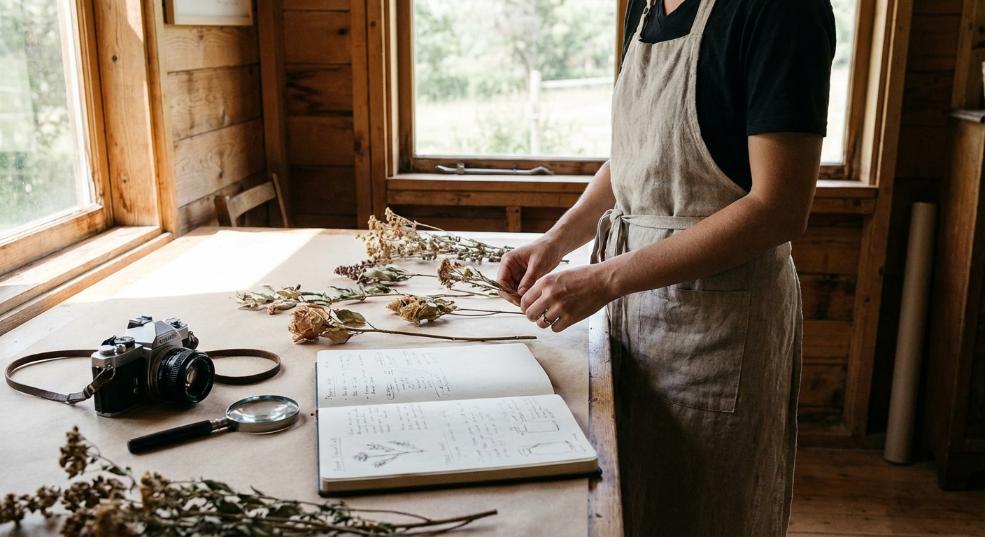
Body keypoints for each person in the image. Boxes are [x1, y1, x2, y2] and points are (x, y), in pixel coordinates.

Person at [496, 0, 836, 535]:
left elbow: (779, 209)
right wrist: (560, 239)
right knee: (627, 507)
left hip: (715, 335)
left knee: (705, 512)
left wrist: (605, 277)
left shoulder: (781, 12)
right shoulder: (646, 7)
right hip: (632, 321)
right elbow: (633, 157)